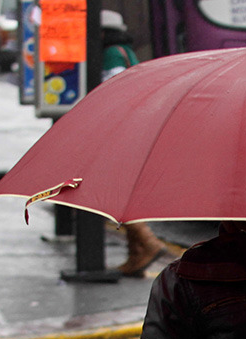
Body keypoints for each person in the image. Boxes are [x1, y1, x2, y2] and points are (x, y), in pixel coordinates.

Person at [99, 8, 169, 276]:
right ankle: (136, 255)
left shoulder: (111, 54)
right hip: (134, 128)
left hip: (119, 129)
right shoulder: (126, 51)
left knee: (113, 188)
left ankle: (148, 242)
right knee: (123, 187)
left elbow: (114, 88)